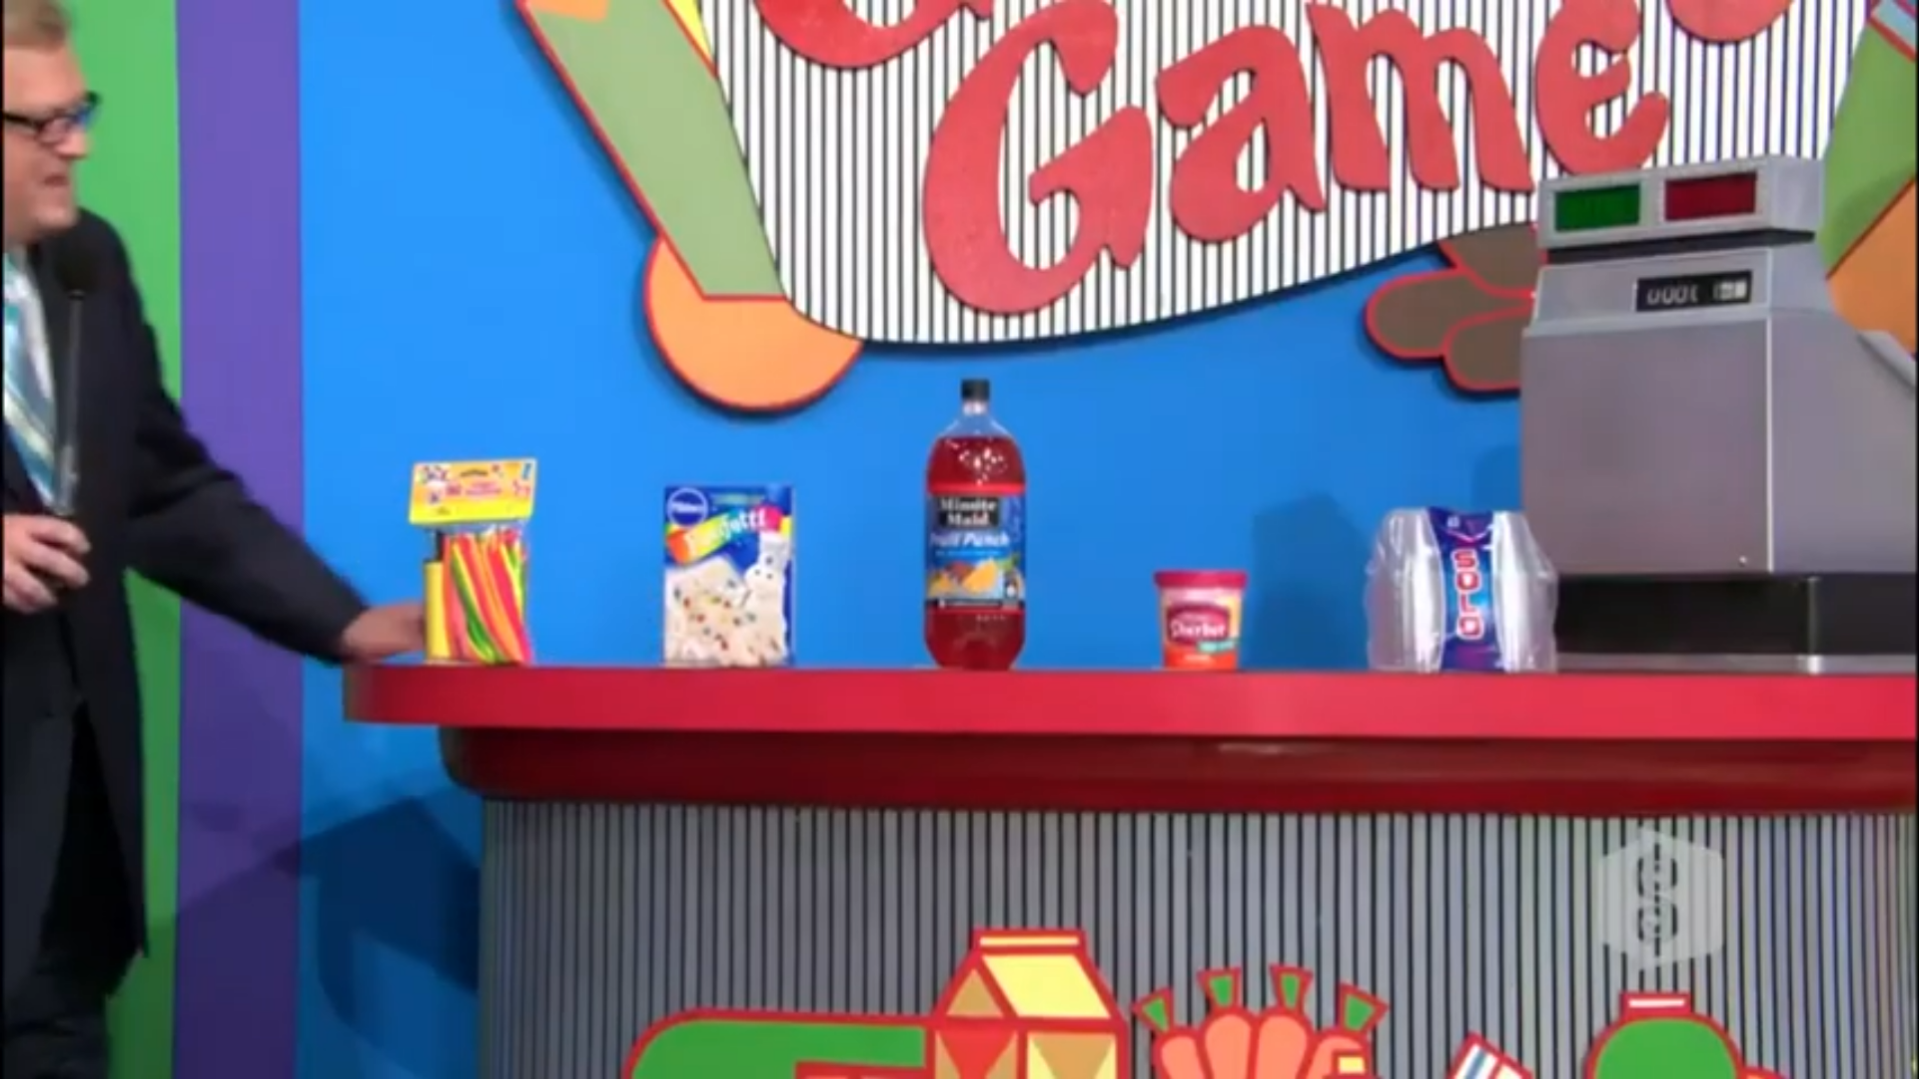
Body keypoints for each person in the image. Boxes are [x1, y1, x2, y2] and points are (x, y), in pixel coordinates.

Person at [3, 0, 424, 1072]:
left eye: (80, 111)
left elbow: (158, 484)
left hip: (56, 871)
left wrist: (343, 617)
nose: (79, 145)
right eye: (46, 124)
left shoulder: (85, 264)